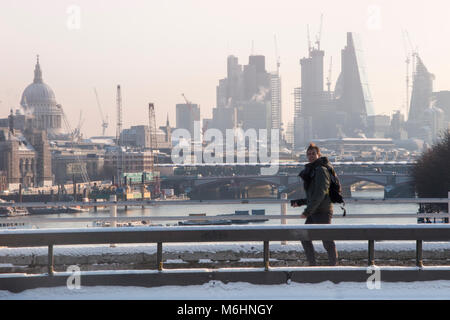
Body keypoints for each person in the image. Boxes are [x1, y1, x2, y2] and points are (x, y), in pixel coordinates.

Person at [291, 143, 338, 266]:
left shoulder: (321, 170)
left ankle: (333, 266)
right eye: (309, 154)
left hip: (322, 210)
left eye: (313, 154)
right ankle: (313, 265)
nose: (310, 156)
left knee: (326, 240)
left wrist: (307, 210)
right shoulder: (313, 169)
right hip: (315, 210)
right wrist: (301, 202)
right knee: (305, 237)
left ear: (318, 155)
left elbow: (320, 194)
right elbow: (314, 194)